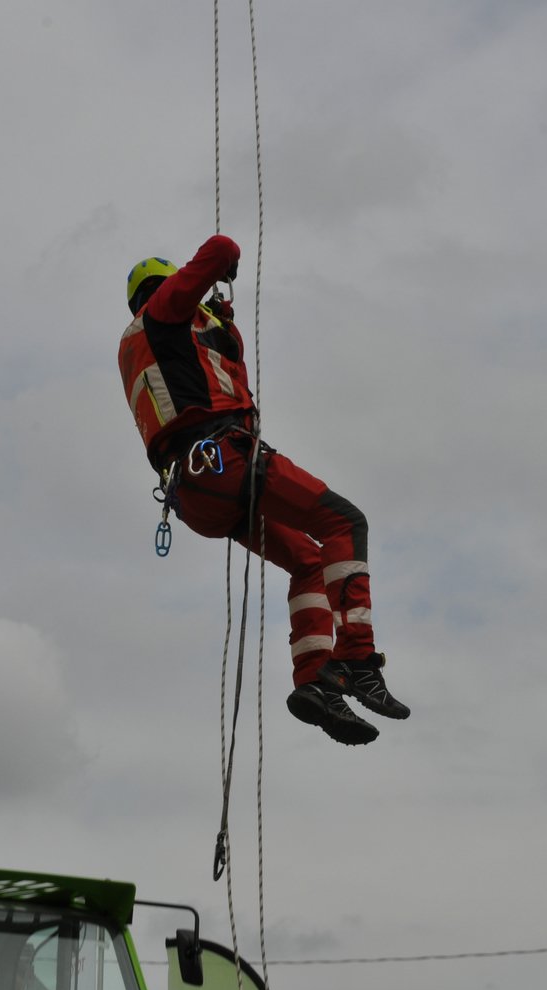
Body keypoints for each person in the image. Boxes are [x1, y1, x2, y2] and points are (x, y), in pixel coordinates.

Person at [119, 234, 411, 746]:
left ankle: (315, 681)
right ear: (164, 288)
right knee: (344, 521)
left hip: (197, 494)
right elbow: (219, 246)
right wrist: (223, 266)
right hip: (223, 460)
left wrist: (223, 327)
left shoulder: (151, 344)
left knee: (309, 562)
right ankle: (358, 657)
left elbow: (213, 373)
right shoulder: (162, 313)